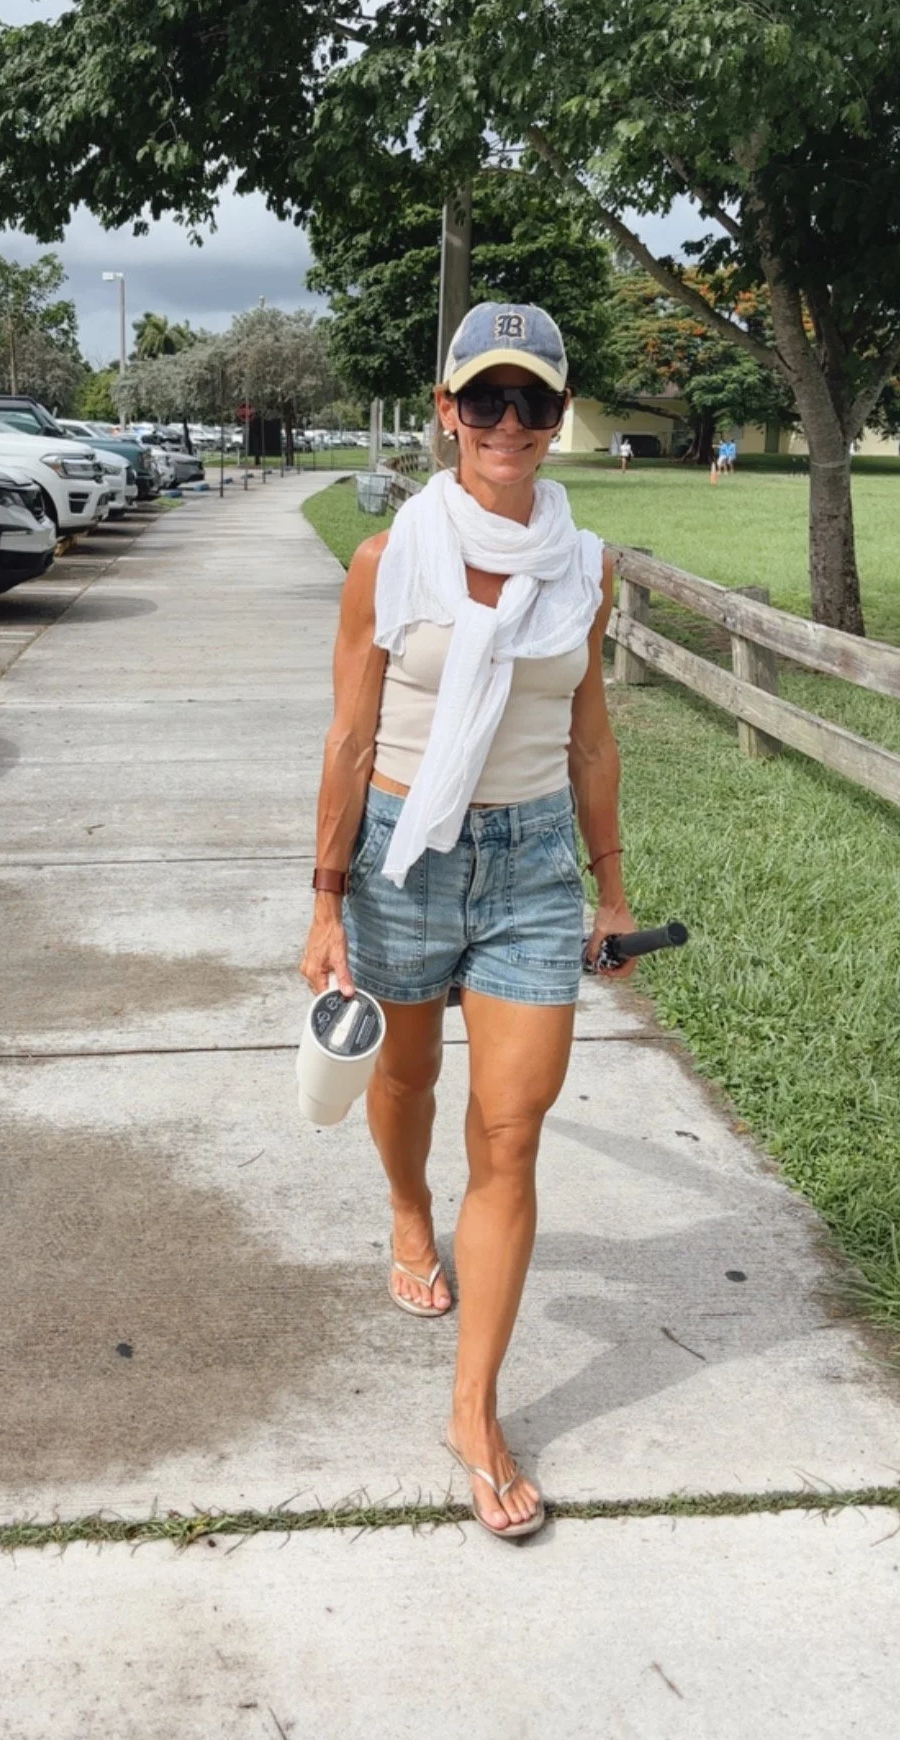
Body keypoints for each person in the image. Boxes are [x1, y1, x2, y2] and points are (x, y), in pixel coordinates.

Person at [301, 303, 637, 1543]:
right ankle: (406, 1207)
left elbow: (589, 735)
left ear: (558, 415)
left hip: (533, 865)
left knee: (512, 1130)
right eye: (484, 399)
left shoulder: (585, 568)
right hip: (401, 853)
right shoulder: (388, 560)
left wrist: (611, 884)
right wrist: (325, 897)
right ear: (446, 412)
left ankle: (474, 1411)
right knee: (406, 1076)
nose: (508, 423)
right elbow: (348, 735)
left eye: (531, 401)